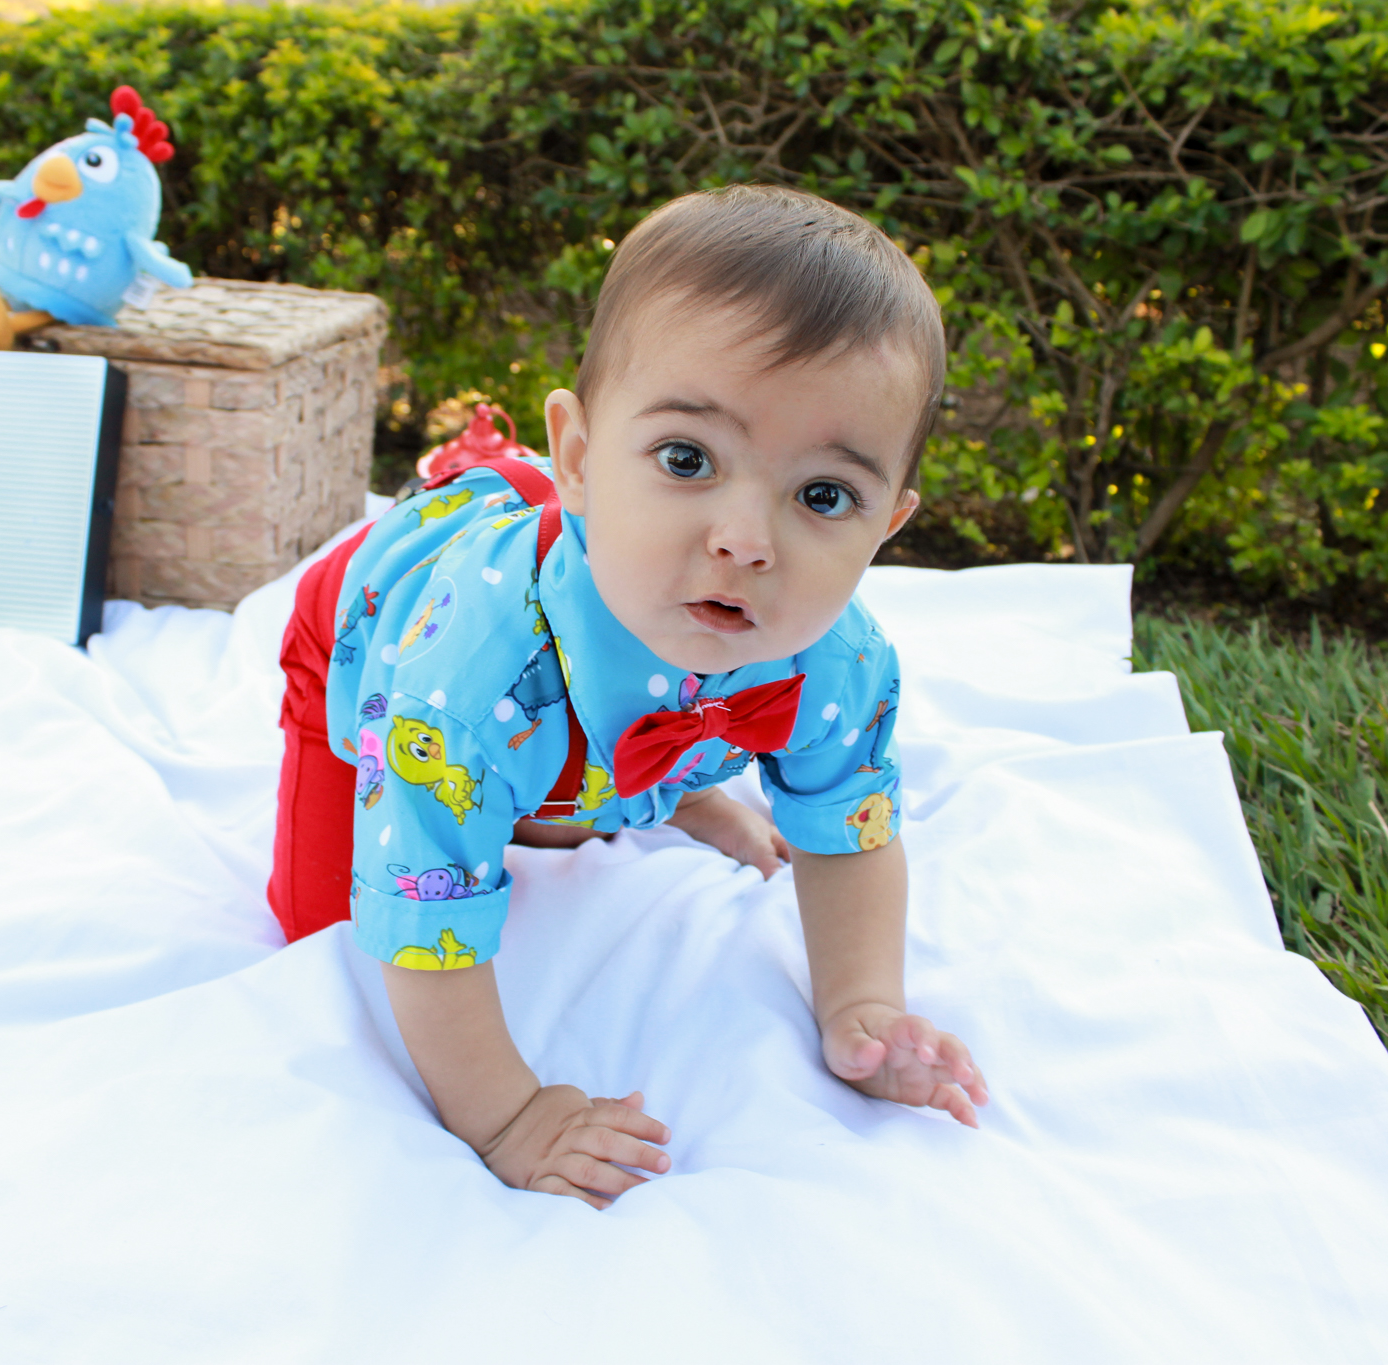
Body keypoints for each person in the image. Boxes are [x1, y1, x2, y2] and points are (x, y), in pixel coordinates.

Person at [268, 185, 989, 1209]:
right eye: (686, 460)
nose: (746, 538)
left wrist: (862, 1005)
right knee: (322, 938)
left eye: (822, 495)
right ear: (577, 454)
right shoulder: (460, 688)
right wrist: (509, 1114)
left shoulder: (839, 662)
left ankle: (662, 782)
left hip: (596, 686)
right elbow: (423, 925)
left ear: (888, 523)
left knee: (572, 796)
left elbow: (853, 833)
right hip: (364, 639)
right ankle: (618, 754)